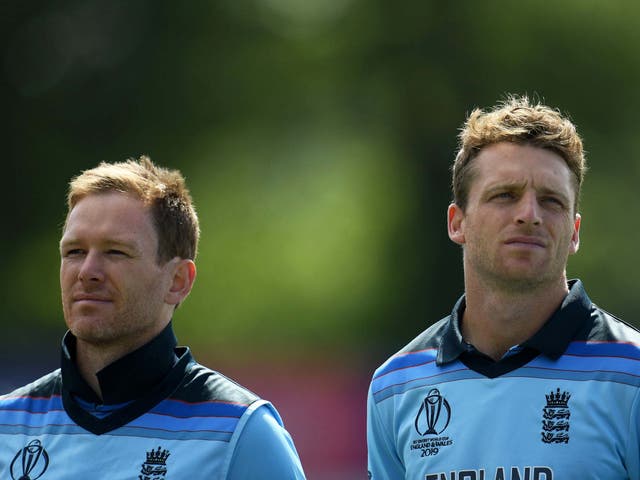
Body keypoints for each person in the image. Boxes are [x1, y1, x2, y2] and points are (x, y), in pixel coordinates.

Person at [366, 95, 640, 479]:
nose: (529, 215)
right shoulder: (396, 385)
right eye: (505, 196)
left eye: (551, 201)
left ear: (574, 232)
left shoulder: (631, 374)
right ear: (457, 222)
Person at [0, 156, 306, 479]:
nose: (87, 271)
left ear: (177, 282)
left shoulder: (239, 434)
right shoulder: (6, 425)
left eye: (115, 252)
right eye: (74, 251)